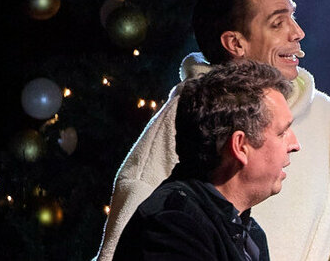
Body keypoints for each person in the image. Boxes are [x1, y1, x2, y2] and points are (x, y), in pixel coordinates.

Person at [98, 0, 330, 261]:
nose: (297, 33)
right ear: (235, 42)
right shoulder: (187, 116)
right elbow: (131, 231)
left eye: (293, 17)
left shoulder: (328, 120)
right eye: (277, 22)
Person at [114, 61, 300, 260]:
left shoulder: (249, 234)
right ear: (240, 146)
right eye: (282, 133)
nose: (295, 144)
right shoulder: (173, 226)